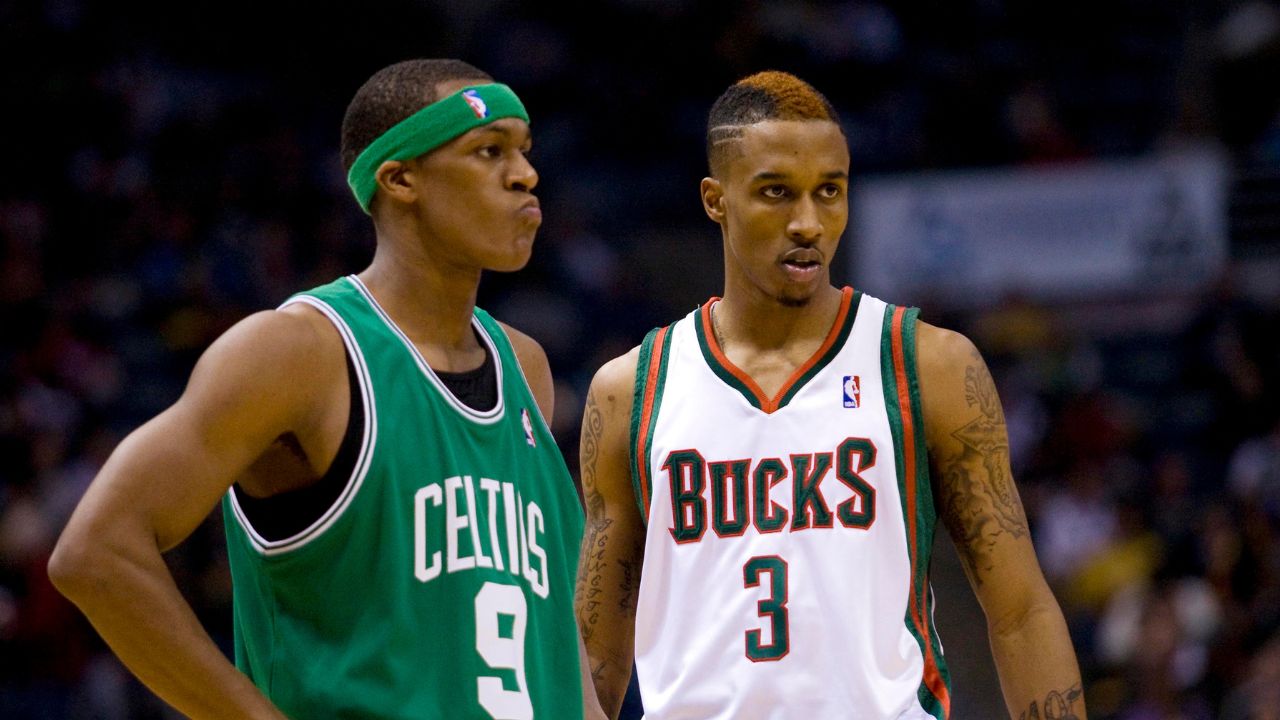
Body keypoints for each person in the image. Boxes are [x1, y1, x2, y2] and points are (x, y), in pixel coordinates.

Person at [49, 58, 604, 720]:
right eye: (489, 151)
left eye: (525, 150)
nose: (525, 174)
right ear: (400, 179)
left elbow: (551, 634)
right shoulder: (300, 353)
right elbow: (95, 552)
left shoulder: (525, 367)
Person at [576, 71, 1086, 720]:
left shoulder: (926, 364)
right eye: (776, 194)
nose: (808, 222)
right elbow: (598, 659)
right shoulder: (630, 391)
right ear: (716, 199)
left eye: (829, 192)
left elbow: (1020, 611)